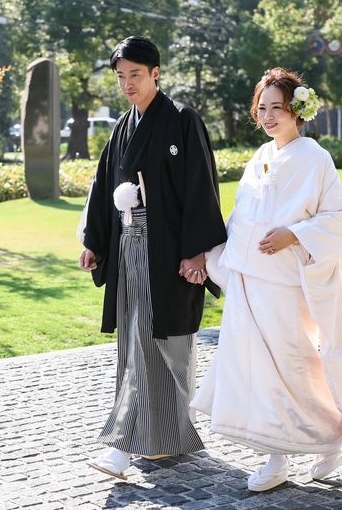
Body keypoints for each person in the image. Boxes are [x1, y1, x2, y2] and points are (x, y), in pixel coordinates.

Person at [191, 67, 342, 492]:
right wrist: (211, 258)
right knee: (257, 370)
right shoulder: (260, 155)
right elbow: (241, 217)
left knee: (293, 367)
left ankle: (329, 435)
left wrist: (295, 233)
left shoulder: (315, 157)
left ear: (297, 111)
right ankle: (277, 456)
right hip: (250, 280)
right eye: (262, 108)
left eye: (278, 108)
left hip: (286, 283)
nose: (268, 116)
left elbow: (337, 217)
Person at [78, 35, 227, 481]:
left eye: (136, 75)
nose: (128, 83)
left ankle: (130, 446)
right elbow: (103, 187)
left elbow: (201, 184)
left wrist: (196, 251)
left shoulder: (182, 119)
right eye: (121, 76)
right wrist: (95, 242)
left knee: (164, 342)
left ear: (155, 73)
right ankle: (162, 440)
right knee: (136, 342)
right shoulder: (123, 128)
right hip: (130, 246)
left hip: (170, 249)